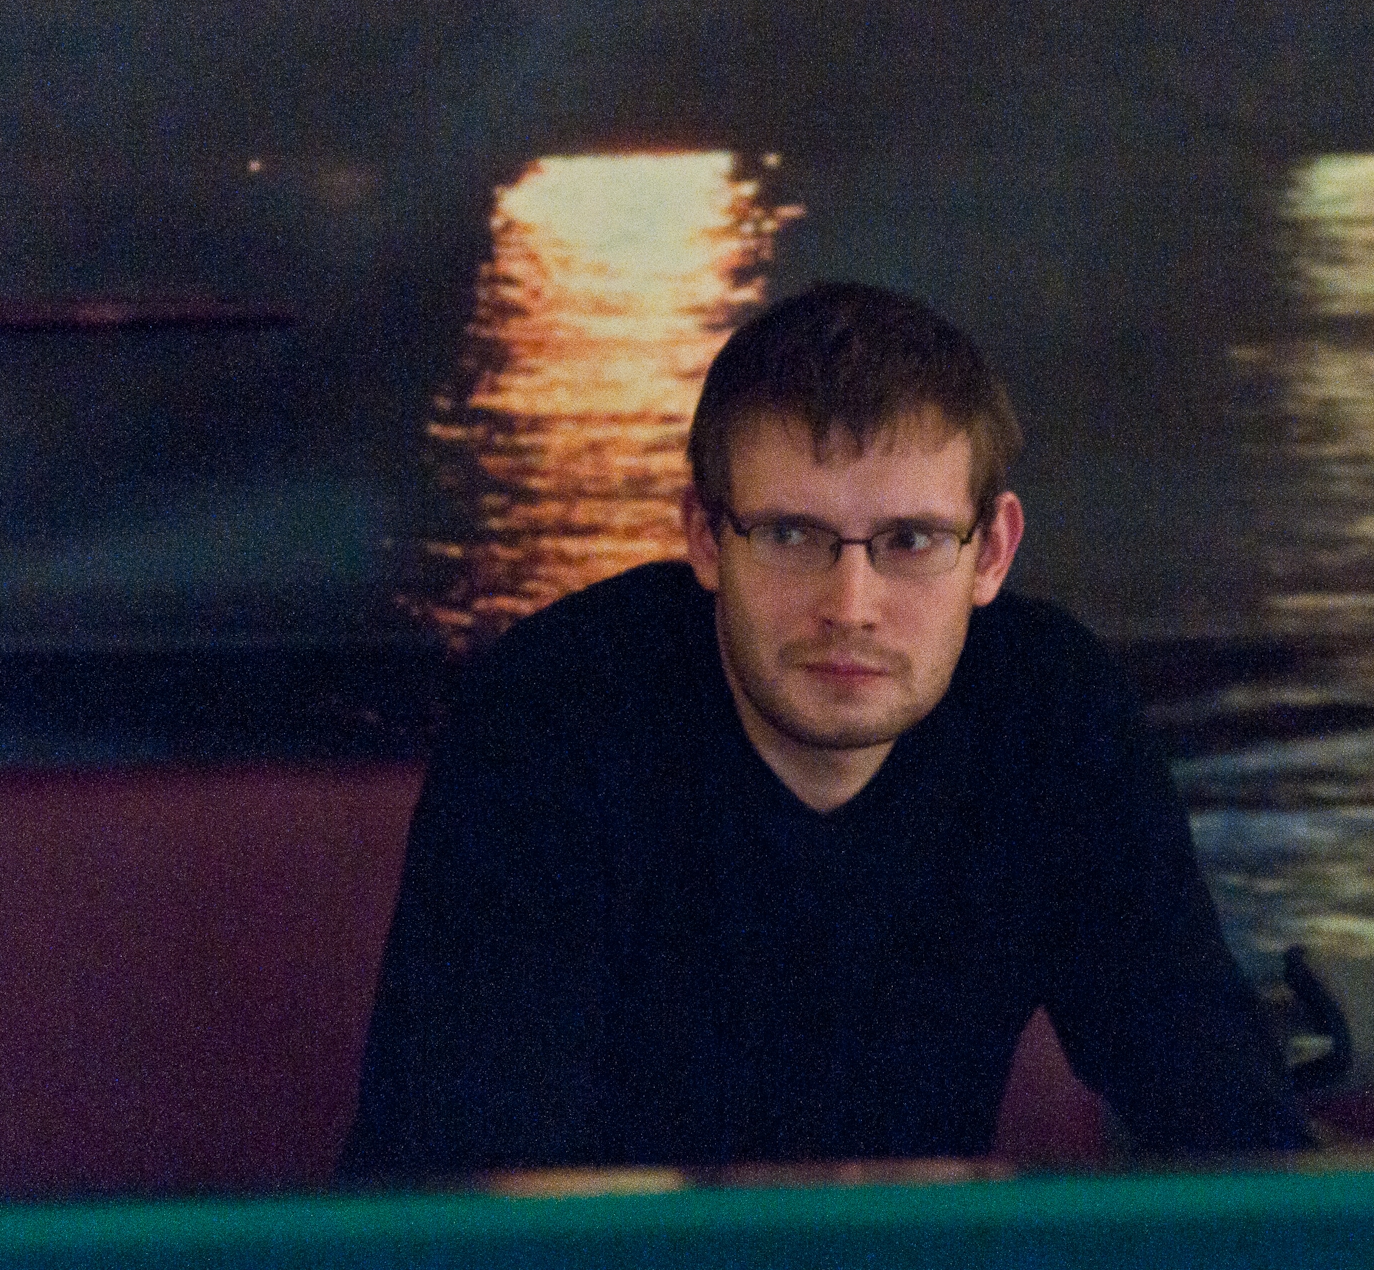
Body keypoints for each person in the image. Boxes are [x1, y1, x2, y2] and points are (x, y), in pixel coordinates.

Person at [342, 283, 1306, 1177]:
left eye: (910, 541)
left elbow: (1229, 1122)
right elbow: (466, 1193)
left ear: (992, 551)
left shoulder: (1054, 711)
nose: (851, 605)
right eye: (792, 535)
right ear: (705, 537)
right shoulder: (549, 713)